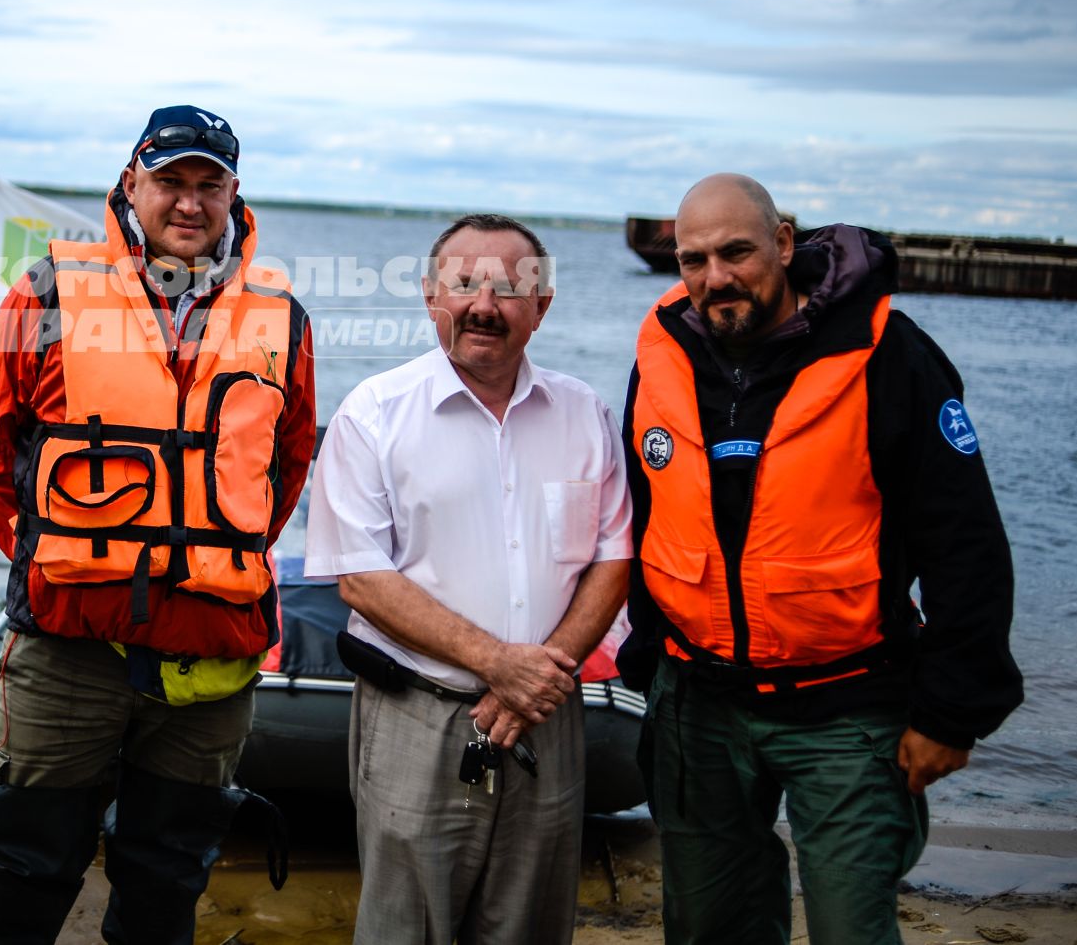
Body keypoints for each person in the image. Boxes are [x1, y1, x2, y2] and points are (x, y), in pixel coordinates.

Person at [618, 173, 1023, 945]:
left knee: (851, 929)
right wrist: (647, 656)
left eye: (736, 252)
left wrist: (953, 712)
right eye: (693, 260)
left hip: (847, 710)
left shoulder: (890, 358)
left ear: (782, 242)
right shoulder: (663, 359)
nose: (716, 278)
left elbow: (964, 541)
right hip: (697, 707)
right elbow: (645, 516)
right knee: (707, 927)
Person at [0, 106, 316, 943]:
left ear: (234, 194)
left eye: (209, 185)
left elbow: (287, 463)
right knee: (22, 873)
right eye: (170, 182)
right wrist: (44, 556)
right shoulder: (49, 287)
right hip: (68, 642)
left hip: (209, 649)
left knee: (167, 882)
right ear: (132, 184)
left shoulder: (281, 314)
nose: (188, 204)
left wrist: (220, 555)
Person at [305, 214, 631, 945]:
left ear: (542, 307)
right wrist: (499, 665)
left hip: (550, 715)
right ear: (430, 296)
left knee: (531, 926)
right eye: (464, 283)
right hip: (418, 714)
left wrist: (535, 680)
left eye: (511, 288)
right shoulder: (373, 414)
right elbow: (359, 578)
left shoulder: (586, 413)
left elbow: (615, 559)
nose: (484, 305)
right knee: (403, 927)